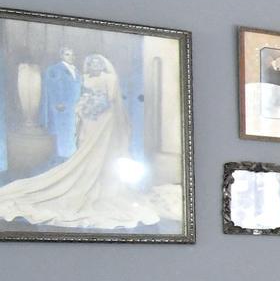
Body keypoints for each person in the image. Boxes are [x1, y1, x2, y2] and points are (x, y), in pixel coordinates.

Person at [0, 53, 178, 230]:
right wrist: (83, 108)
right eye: (91, 63)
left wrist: (96, 106)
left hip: (105, 119)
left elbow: (110, 99)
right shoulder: (85, 77)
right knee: (86, 151)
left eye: (97, 63)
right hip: (90, 119)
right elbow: (85, 95)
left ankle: (100, 178)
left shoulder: (110, 78)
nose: (94, 65)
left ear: (103, 65)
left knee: (103, 153)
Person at [39, 48, 81, 160]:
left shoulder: (76, 71)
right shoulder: (54, 69)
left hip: (75, 106)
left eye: (73, 55)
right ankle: (65, 158)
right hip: (63, 106)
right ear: (61, 56)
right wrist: (58, 102)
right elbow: (52, 87)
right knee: (64, 132)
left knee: (74, 131)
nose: (70, 57)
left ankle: (72, 157)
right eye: (67, 54)